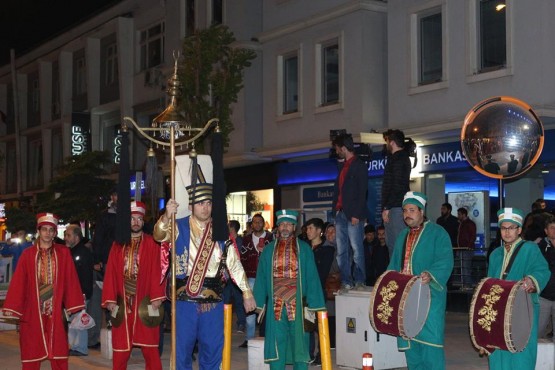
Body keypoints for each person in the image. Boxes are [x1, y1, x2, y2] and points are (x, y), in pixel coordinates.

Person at [153, 192, 256, 370]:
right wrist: (166, 216)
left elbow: (235, 265)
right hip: (185, 301)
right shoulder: (178, 226)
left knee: (213, 348)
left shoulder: (221, 231)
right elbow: (158, 236)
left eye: (208, 203)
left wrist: (247, 293)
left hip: (213, 302)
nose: (205, 207)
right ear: (191, 206)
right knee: (182, 350)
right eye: (200, 203)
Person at [2, 213, 85, 370]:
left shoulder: (63, 253)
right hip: (32, 312)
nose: (47, 233)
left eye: (51, 230)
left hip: (55, 312)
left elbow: (70, 279)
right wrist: (13, 308)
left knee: (59, 353)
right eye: (44, 229)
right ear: (38, 231)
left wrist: (74, 305)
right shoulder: (27, 255)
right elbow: (19, 282)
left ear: (55, 233)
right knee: (31, 353)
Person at [387, 192, 453, 370]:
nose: (407, 214)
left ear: (421, 211)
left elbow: (446, 260)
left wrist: (431, 274)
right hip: (405, 299)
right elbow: (393, 265)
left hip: (430, 298)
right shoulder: (402, 236)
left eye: (412, 210)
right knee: (412, 350)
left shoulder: (438, 233)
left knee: (431, 346)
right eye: (404, 211)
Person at [253, 210, 326, 370]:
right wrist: (258, 302)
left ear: (294, 227)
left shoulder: (305, 249)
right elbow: (262, 277)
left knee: (300, 343)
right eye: (282, 224)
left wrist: (315, 306)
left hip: (298, 304)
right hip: (275, 304)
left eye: (288, 224)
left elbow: (312, 277)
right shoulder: (268, 250)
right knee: (276, 344)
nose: (285, 227)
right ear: (278, 227)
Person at [102, 201, 166, 370]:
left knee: (150, 348)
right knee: (121, 349)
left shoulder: (153, 243)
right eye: (132, 219)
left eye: (139, 218)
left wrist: (157, 296)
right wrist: (110, 299)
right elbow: (110, 274)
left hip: (145, 300)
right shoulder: (117, 245)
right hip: (123, 300)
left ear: (143, 221)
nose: (136, 222)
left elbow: (158, 271)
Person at [485, 208, 550, 369]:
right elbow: (489, 282)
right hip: (498, 311)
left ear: (519, 230)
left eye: (511, 228)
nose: (507, 232)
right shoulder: (495, 254)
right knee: (498, 348)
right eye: (503, 228)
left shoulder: (530, 249)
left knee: (521, 350)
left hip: (523, 309)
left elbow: (542, 270)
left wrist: (532, 281)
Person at [331, 133, 368, 291]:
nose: (336, 152)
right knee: (341, 251)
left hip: (353, 214)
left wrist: (357, 214)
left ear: (344, 148)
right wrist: (335, 212)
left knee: (356, 249)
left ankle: (359, 279)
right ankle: (346, 280)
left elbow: (362, 191)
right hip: (340, 213)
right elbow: (338, 190)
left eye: (338, 149)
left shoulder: (359, 165)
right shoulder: (343, 166)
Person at [88, 187, 118, 348]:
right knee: (110, 294)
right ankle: (112, 325)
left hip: (126, 261)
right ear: (112, 197)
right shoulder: (106, 216)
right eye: (116, 195)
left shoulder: (129, 214)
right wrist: (97, 260)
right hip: (108, 261)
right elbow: (98, 239)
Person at [239, 213, 274, 346]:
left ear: (263, 223)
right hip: (251, 278)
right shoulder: (246, 240)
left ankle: (266, 337)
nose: (257, 224)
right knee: (250, 309)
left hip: (267, 279)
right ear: (251, 224)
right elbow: (242, 260)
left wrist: (266, 251)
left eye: (260, 222)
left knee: (268, 309)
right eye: (255, 222)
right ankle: (249, 339)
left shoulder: (271, 239)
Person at [305, 217, 335, 364]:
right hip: (305, 291)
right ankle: (308, 354)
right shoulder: (305, 248)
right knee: (307, 324)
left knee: (319, 325)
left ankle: (322, 355)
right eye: (307, 228)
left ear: (319, 231)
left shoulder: (327, 250)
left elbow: (322, 272)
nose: (308, 231)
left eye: (311, 228)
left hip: (318, 291)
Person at [64, 224, 95, 356]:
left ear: (76, 237)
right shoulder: (71, 251)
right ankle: (74, 346)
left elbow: (85, 275)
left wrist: (83, 293)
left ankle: (81, 348)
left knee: (81, 321)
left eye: (68, 235)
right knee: (72, 322)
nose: (66, 238)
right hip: (72, 293)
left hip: (80, 293)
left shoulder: (83, 252)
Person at [381, 129, 412, 257]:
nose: (386, 144)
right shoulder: (400, 158)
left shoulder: (398, 159)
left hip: (396, 207)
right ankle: (396, 274)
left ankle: (400, 275)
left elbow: (397, 185)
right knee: (394, 244)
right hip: (395, 206)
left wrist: (387, 207)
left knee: (397, 244)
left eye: (387, 141)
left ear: (392, 143)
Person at [224, 220, 246, 336]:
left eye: (228, 227)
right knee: (225, 300)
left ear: (232, 228)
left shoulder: (240, 242)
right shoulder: (226, 241)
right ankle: (223, 324)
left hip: (236, 277)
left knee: (238, 301)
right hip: (226, 277)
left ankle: (241, 323)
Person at [538, 217, 555, 342]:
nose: (554, 230)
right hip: (543, 296)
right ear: (546, 231)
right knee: (538, 330)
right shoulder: (539, 247)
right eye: (552, 228)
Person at [456, 207, 476, 289]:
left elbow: (472, 235)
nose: (458, 216)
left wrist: (469, 246)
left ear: (464, 214)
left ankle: (467, 284)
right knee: (463, 267)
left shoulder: (468, 224)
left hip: (465, 248)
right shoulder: (463, 223)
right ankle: (465, 284)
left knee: (465, 267)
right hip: (462, 247)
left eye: (459, 214)